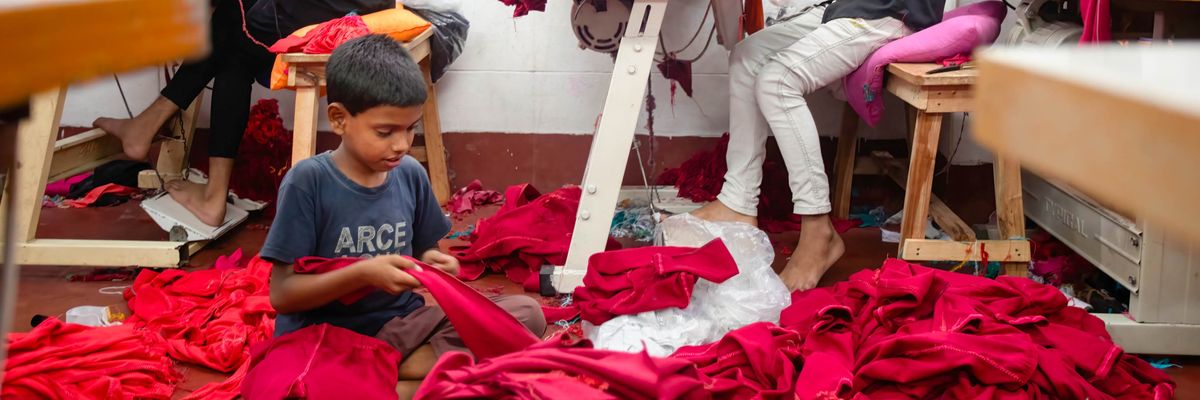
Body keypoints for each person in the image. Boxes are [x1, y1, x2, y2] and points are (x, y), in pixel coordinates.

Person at [260, 35, 545, 398]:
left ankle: (381, 381)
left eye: (410, 128)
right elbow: (283, 295)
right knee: (290, 383)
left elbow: (426, 252)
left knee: (525, 315)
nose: (401, 144)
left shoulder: (409, 174)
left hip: (402, 327)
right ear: (339, 119)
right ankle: (404, 384)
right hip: (329, 336)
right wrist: (363, 274)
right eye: (385, 132)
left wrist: (435, 264)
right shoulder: (308, 182)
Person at [692, 0, 945, 291]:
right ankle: (738, 200)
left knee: (777, 82)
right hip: (852, 6)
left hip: (889, 11)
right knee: (747, 56)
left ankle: (817, 230)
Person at [92, 0, 395, 226]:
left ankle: (151, 127)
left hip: (346, 10)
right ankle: (210, 194)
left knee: (231, 21)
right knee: (234, 40)